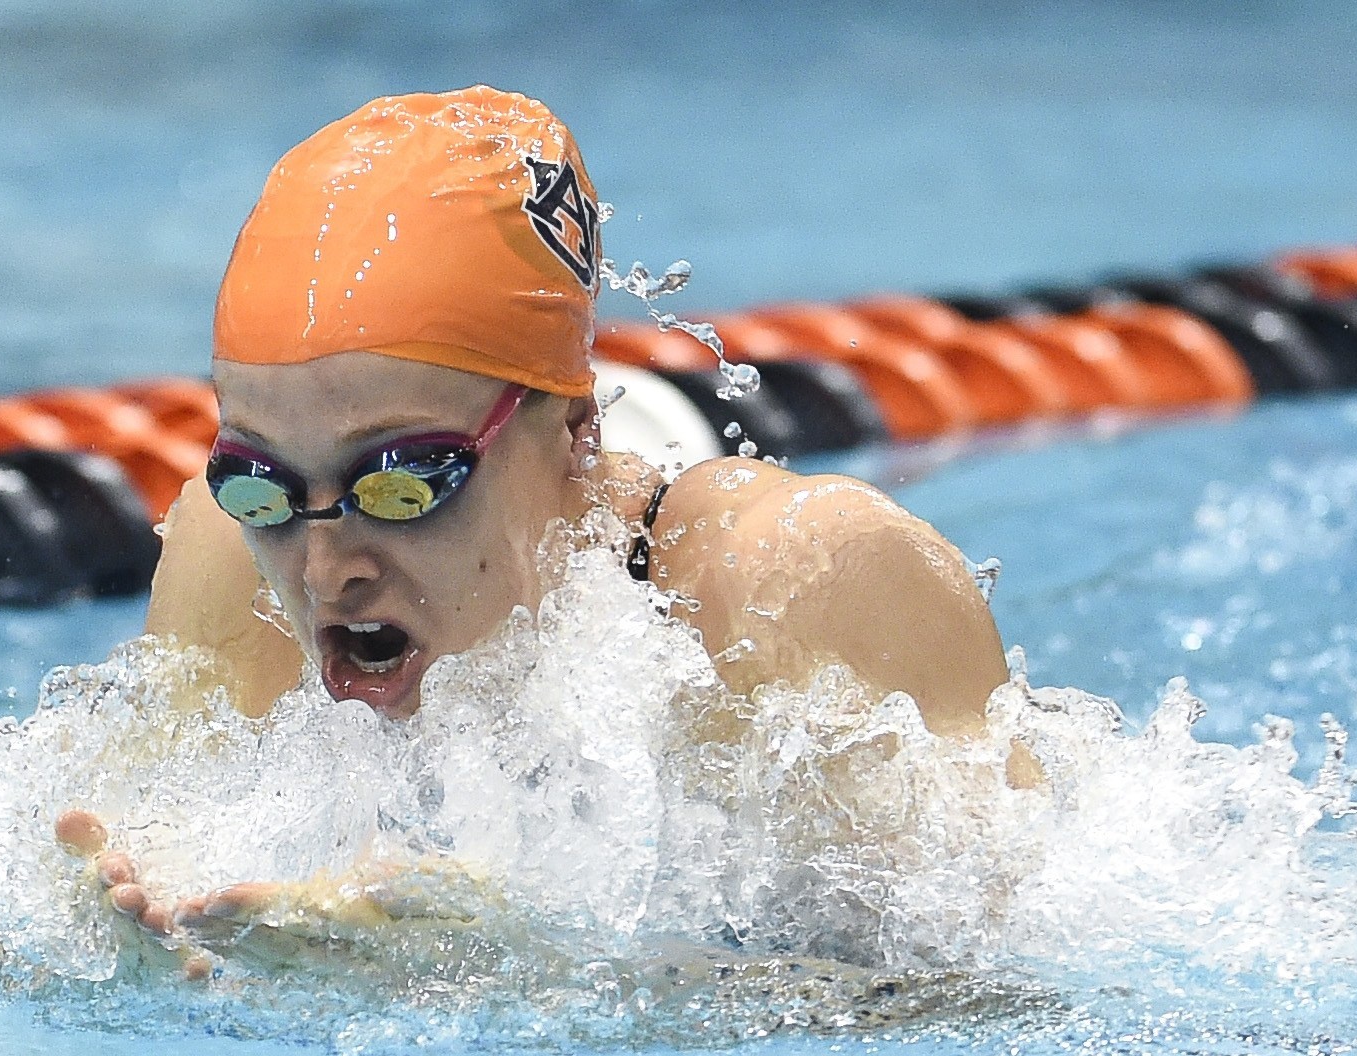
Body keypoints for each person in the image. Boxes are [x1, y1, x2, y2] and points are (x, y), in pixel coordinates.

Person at [54, 86, 1017, 973]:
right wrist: (146, 954)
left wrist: (534, 965)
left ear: (575, 429)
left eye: (401, 483)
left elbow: (1005, 1000)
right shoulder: (231, 564)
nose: (322, 567)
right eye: (263, 485)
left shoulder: (795, 586)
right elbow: (128, 886)